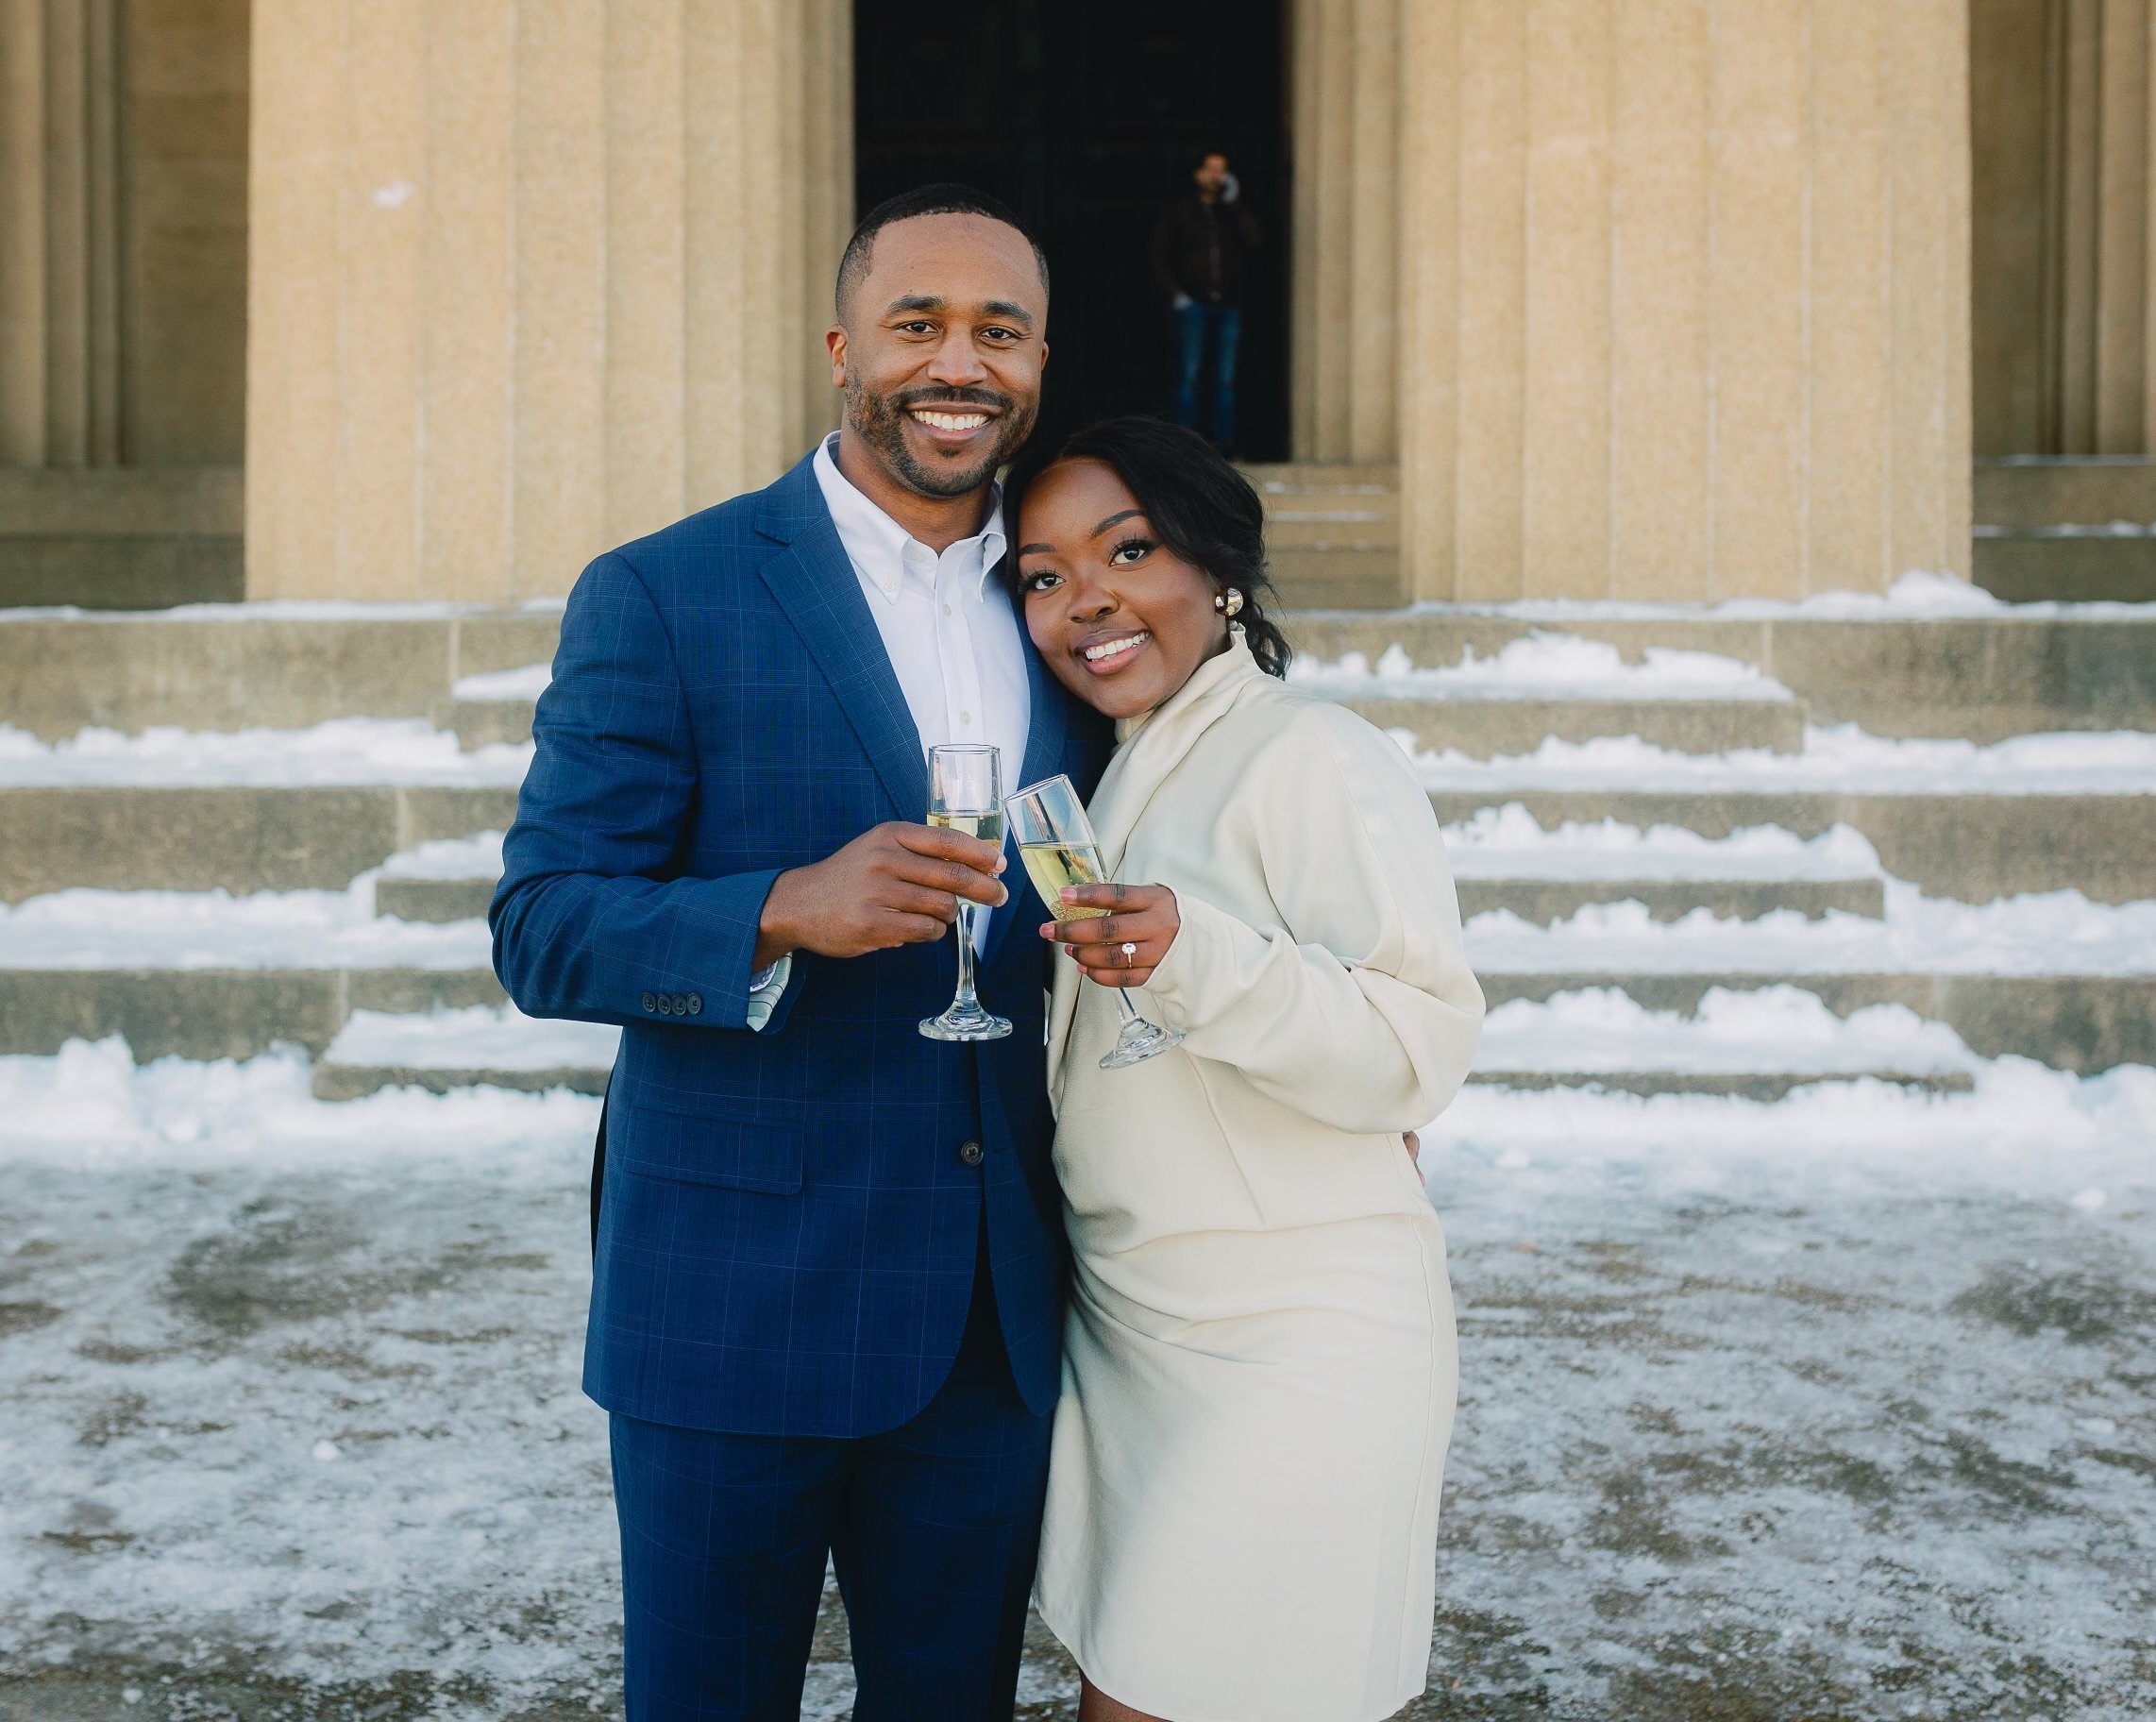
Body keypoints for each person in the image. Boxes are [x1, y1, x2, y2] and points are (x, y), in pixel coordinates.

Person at [490, 184, 1109, 1719]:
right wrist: (772, 906)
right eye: (917, 324)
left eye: (996, 329)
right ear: (843, 345)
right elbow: (542, 923)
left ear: (1038, 359)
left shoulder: (1076, 611)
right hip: (729, 1302)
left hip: (988, 1314)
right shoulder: (666, 591)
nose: (956, 363)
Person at [1002, 417, 1485, 1722]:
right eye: (1042, 575)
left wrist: (1191, 954)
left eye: (1128, 550)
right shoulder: (1108, 777)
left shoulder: (1311, 753)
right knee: (1144, 1681)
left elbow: (1414, 1040)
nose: (1083, 600)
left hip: (1295, 1340)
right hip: (1136, 1332)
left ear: (1216, 568)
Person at [1149, 150, 1261, 453]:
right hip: (1194, 304)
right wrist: (1177, 295)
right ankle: (1187, 447)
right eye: (1210, 170)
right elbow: (1159, 255)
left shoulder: (1231, 212)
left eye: (1221, 171)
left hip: (1228, 304)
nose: (1216, 177)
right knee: (1190, 376)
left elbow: (1254, 243)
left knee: (1224, 381)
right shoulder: (1182, 211)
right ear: (1197, 173)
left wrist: (1234, 205)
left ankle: (1224, 446)